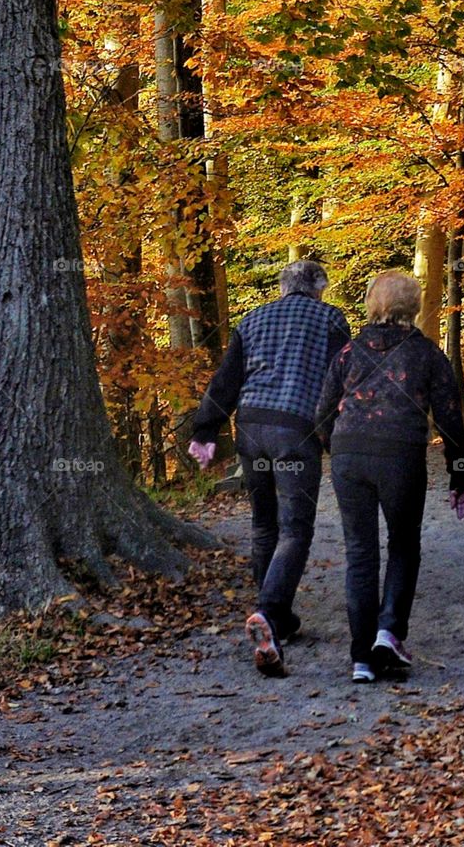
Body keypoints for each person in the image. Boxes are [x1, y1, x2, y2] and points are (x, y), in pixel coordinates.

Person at [188, 259, 350, 676]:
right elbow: (338, 382)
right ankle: (269, 613)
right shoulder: (332, 319)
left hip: (252, 427)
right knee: (296, 528)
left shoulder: (252, 319)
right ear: (320, 288)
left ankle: (275, 620)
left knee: (264, 525)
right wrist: (334, 434)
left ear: (282, 288)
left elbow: (226, 380)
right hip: (296, 429)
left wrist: (204, 431)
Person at [316, 270, 464, 684]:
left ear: (373, 304)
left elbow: (322, 414)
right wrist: (459, 477)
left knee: (360, 553)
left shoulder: (348, 353)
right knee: (403, 544)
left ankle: (360, 659)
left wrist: (341, 452)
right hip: (400, 455)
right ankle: (389, 633)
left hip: (349, 455)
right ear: (414, 307)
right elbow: (451, 421)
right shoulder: (427, 355)